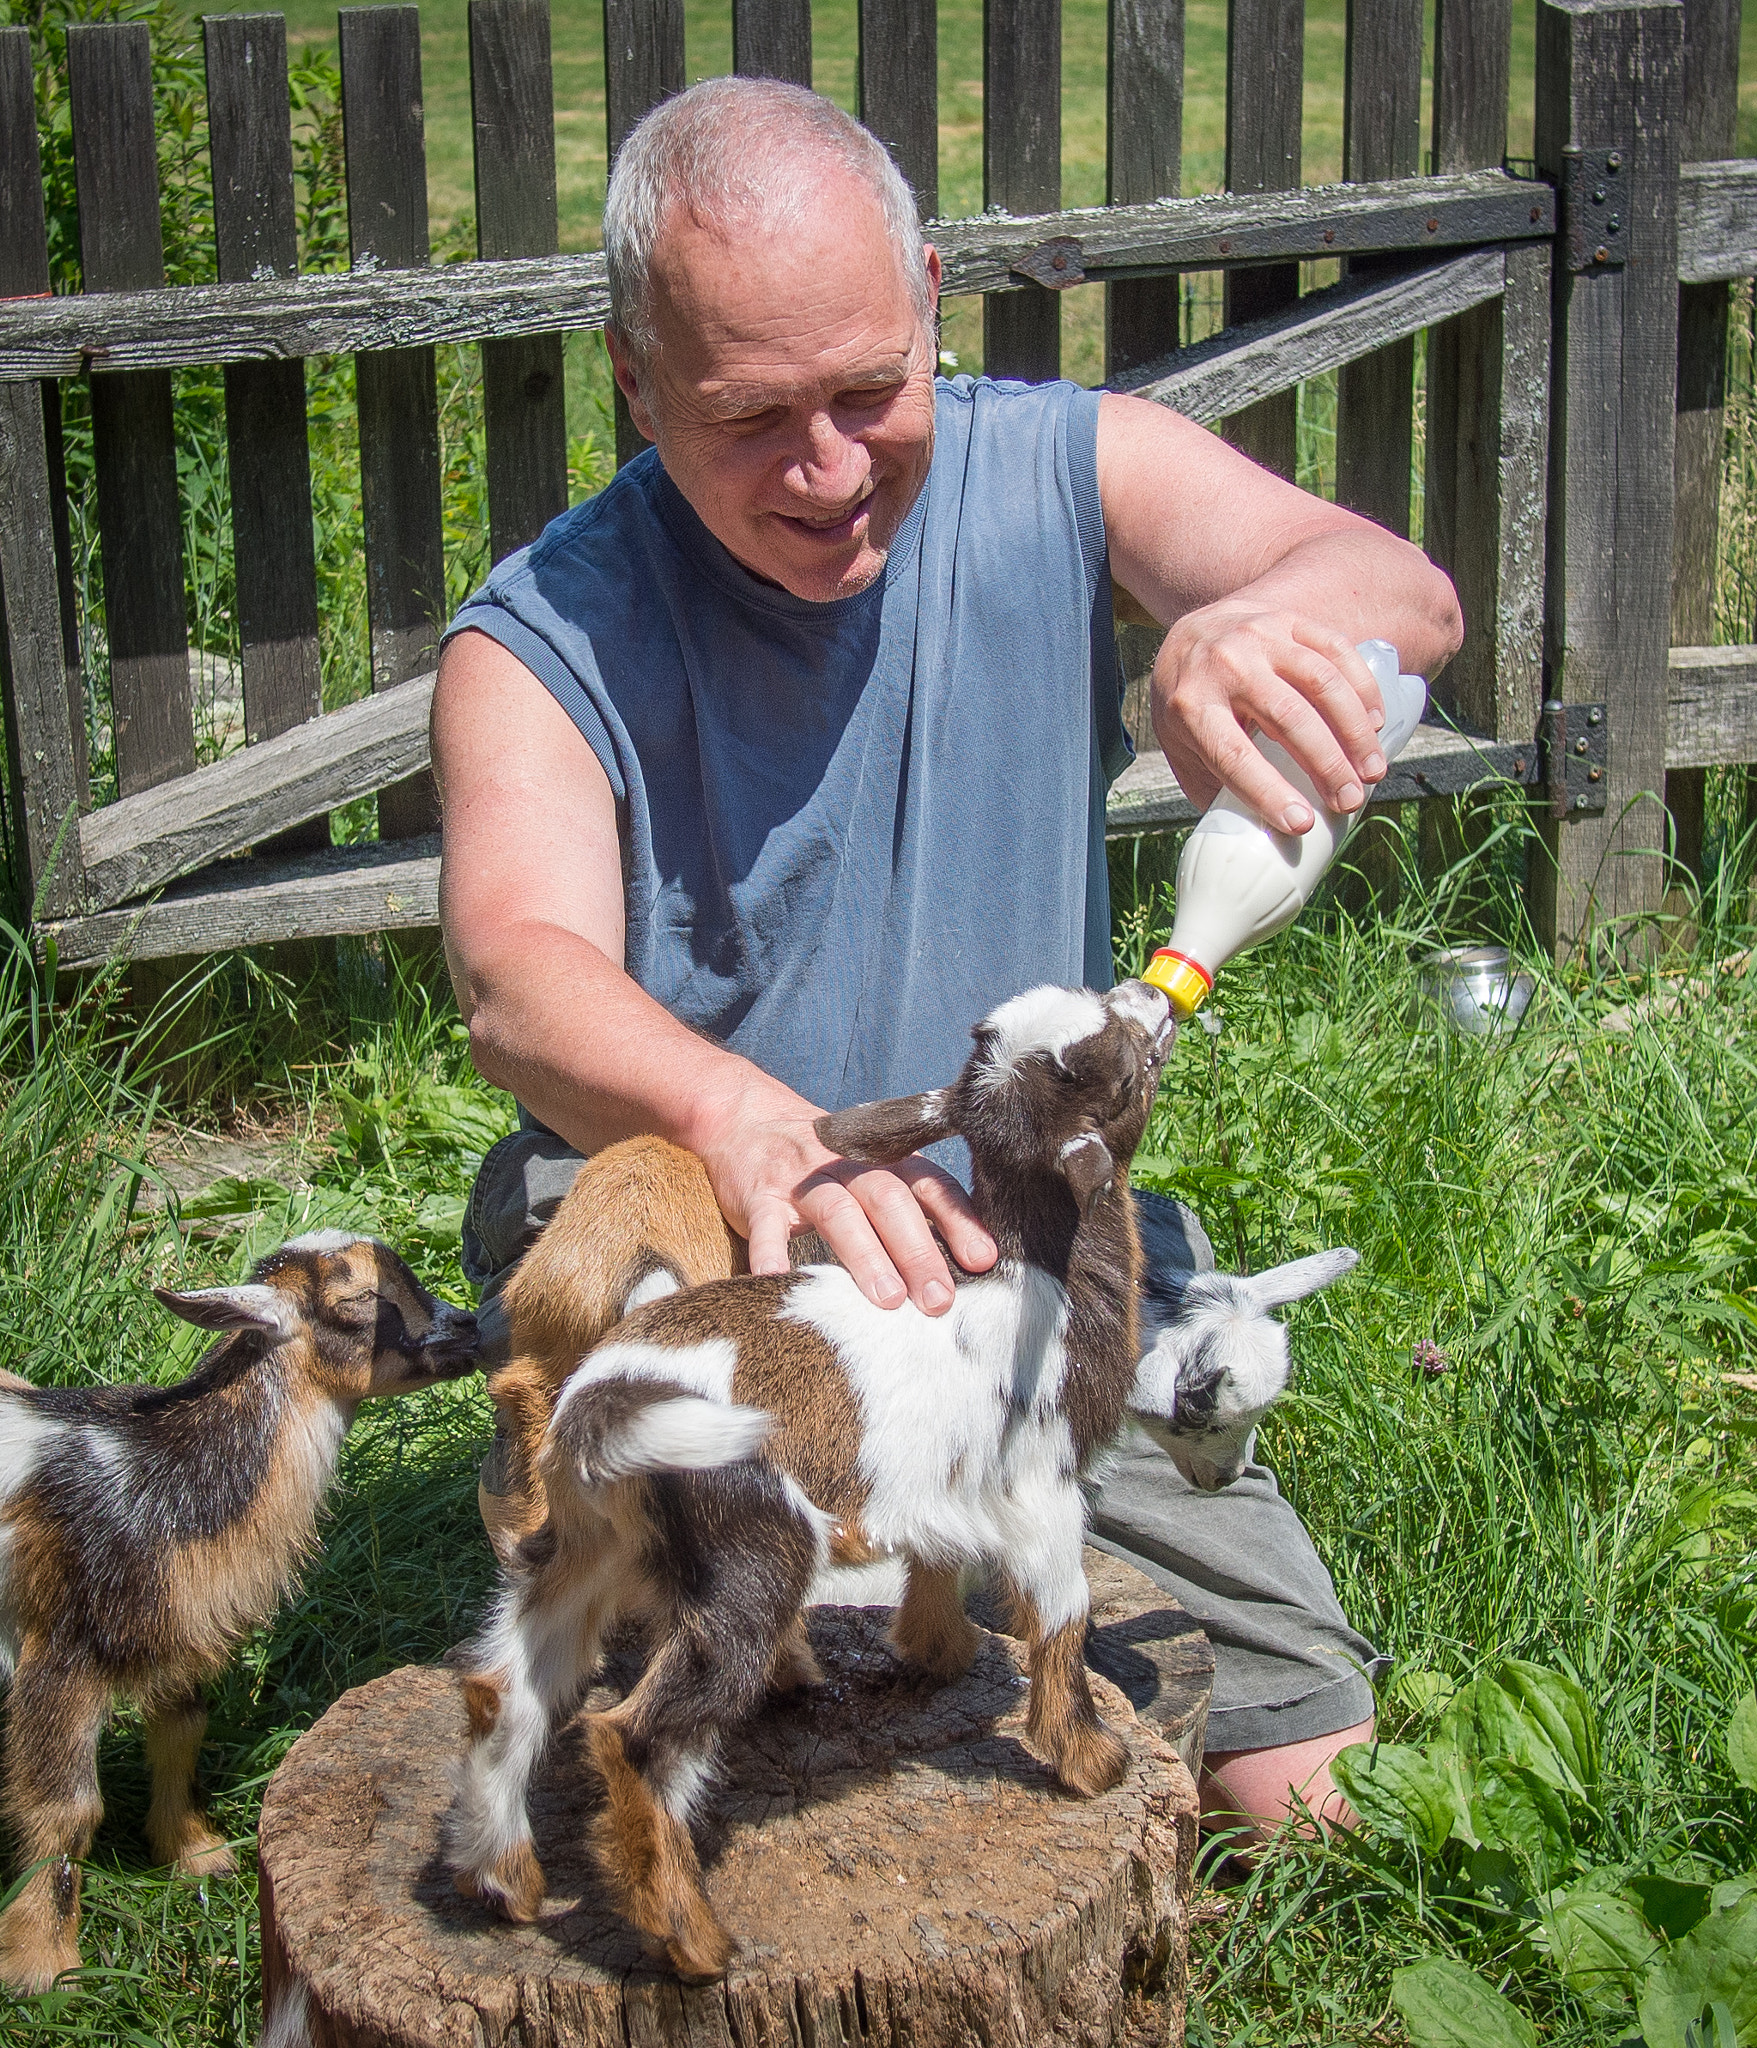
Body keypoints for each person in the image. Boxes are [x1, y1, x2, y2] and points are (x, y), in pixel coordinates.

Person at [434, 75, 1462, 1837]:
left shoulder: (1065, 467)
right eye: (753, 416)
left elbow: (1405, 595)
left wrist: (1247, 621)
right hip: (718, 1285)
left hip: (1015, 1273)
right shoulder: (542, 634)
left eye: (869, 390)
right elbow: (515, 974)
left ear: (930, 292)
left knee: (1305, 1781)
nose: (827, 469)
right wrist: (747, 1117)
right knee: (763, 1732)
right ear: (632, 374)